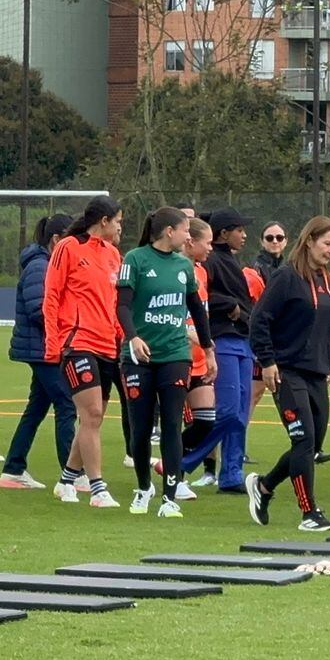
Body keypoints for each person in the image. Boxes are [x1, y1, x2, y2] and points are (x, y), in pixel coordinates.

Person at [245, 216, 330, 532]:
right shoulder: (286, 277)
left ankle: (263, 487)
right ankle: (309, 513)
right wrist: (269, 362)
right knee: (302, 440)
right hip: (287, 372)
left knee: (312, 446)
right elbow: (259, 321)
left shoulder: (329, 281)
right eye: (327, 243)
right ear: (309, 241)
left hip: (316, 373)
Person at [118, 207, 215, 518]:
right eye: (185, 229)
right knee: (141, 427)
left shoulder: (183, 267)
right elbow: (121, 306)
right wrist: (133, 337)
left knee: (173, 424)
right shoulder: (135, 259)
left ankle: (170, 496)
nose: (189, 236)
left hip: (175, 355)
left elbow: (197, 310)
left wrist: (209, 349)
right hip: (138, 357)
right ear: (169, 231)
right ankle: (144, 487)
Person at [45, 196, 125, 506]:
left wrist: (122, 339)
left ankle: (66, 481)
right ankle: (97, 487)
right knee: (91, 414)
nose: (120, 227)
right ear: (103, 221)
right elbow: (51, 295)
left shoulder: (113, 255)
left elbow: (115, 303)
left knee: (93, 418)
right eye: (117, 220)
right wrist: (54, 343)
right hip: (77, 343)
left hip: (107, 345)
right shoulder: (68, 247)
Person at [0, 213, 78, 490]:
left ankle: (13, 468)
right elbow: (39, 309)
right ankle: (72, 472)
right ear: (56, 239)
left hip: (42, 347)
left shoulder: (45, 264)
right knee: (67, 403)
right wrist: (65, 333)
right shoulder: (40, 267)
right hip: (42, 349)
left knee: (37, 408)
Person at [203, 207, 256, 494]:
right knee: (228, 411)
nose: (244, 235)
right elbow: (200, 294)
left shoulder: (232, 262)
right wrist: (229, 306)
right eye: (239, 229)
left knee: (241, 412)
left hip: (243, 342)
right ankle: (183, 459)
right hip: (222, 340)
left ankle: (232, 474)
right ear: (224, 233)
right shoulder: (210, 260)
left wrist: (244, 313)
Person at [170, 216, 219, 494]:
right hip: (176, 358)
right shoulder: (171, 270)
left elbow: (202, 315)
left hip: (200, 359)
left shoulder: (200, 272)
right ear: (190, 242)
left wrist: (209, 351)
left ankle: (171, 464)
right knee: (175, 420)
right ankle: (175, 479)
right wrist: (195, 337)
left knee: (206, 421)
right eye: (207, 242)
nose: (211, 248)